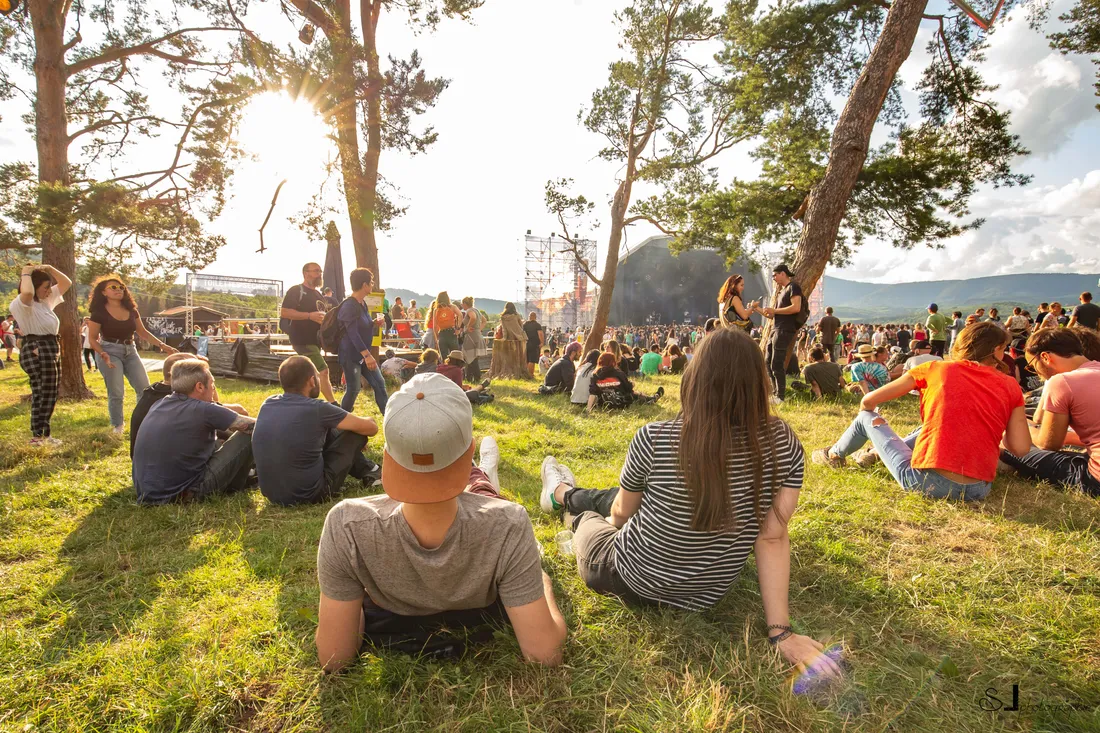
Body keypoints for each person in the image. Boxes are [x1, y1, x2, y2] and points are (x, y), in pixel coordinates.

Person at [539, 328, 839, 679]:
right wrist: (780, 631)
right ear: (759, 382)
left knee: (595, 512)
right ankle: (567, 493)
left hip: (625, 575)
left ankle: (560, 495)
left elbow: (621, 514)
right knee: (621, 496)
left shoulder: (654, 437)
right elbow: (772, 537)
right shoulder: (783, 443)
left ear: (695, 378)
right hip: (706, 595)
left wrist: (609, 525)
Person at [314, 374, 567, 669]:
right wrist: (543, 583)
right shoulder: (510, 523)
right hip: (487, 512)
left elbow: (333, 657)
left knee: (482, 493)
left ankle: (483, 475)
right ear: (468, 451)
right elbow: (544, 654)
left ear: (388, 457)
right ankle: (481, 473)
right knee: (483, 493)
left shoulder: (345, 526)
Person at [813, 322, 1031, 500]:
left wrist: (877, 426)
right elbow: (1020, 448)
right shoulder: (1010, 385)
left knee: (865, 418)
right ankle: (876, 454)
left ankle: (834, 454)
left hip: (926, 483)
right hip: (979, 488)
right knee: (933, 426)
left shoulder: (935, 369)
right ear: (995, 351)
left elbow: (868, 402)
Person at [253, 356, 381, 506]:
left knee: (331, 428)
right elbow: (371, 428)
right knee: (354, 435)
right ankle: (370, 470)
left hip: (272, 495)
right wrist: (358, 429)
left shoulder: (268, 403)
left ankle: (369, 469)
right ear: (312, 381)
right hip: (311, 495)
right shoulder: (318, 409)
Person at [132, 359, 257, 504]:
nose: (213, 390)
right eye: (212, 385)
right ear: (199, 387)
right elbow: (258, 426)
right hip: (185, 494)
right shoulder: (204, 409)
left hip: (148, 493)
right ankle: (237, 484)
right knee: (245, 436)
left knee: (217, 442)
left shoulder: (160, 404)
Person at [999, 329, 1099, 496]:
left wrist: (1020, 426)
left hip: (1095, 480)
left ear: (1045, 357)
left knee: (1011, 447)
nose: (1035, 372)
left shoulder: (1062, 381)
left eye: (1032, 365)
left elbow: (1048, 444)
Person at [85, 275, 178, 435]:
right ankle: (117, 426)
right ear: (103, 292)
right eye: (113, 287)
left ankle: (143, 423)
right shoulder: (98, 312)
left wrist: (163, 346)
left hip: (130, 350)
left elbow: (142, 332)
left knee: (144, 388)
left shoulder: (131, 310)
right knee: (116, 392)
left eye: (121, 287)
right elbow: (92, 339)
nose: (119, 290)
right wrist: (102, 353)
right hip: (109, 350)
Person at [129, 353, 248, 458]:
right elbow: (223, 410)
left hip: (147, 469)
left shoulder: (158, 396)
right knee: (241, 434)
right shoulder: (193, 403)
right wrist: (207, 378)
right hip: (178, 474)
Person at [11, 264, 73, 445]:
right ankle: (39, 436)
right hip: (37, 347)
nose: (48, 291)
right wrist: (26, 272)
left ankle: (42, 435)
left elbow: (66, 283)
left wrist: (50, 269)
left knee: (50, 392)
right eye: (45, 287)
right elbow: (28, 293)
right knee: (43, 392)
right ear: (32, 284)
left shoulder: (45, 302)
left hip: (50, 347)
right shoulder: (22, 303)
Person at [281, 263, 337, 404]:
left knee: (306, 376)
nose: (320, 273)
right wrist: (309, 316)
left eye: (320, 271)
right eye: (316, 271)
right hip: (302, 339)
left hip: (315, 341)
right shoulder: (296, 290)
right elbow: (285, 312)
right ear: (306, 273)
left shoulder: (318, 294)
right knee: (323, 371)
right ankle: (333, 404)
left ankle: (302, 401)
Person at [338, 268, 388, 416]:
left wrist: (373, 323)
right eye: (371, 282)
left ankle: (389, 419)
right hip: (352, 356)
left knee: (379, 384)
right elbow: (352, 333)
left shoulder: (362, 304)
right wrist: (367, 355)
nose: (372, 285)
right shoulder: (349, 306)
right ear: (364, 285)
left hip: (363, 356)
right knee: (353, 389)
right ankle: (340, 422)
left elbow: (360, 326)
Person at [759, 264, 803, 402]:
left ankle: (781, 396)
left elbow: (796, 307)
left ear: (783, 274)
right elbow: (772, 316)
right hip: (776, 328)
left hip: (784, 329)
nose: (773, 278)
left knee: (777, 362)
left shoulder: (793, 287)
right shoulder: (781, 292)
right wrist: (758, 309)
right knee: (767, 361)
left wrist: (775, 311)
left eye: (775, 275)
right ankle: (775, 392)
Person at [587, 352, 663, 411]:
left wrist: (588, 410)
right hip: (622, 403)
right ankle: (654, 397)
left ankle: (649, 398)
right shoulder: (619, 373)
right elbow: (629, 388)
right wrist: (632, 384)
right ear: (613, 362)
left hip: (605, 404)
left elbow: (592, 393)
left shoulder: (595, 375)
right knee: (635, 394)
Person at [460, 297, 485, 382]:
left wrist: (468, 327)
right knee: (472, 358)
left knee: (470, 357)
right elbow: (484, 321)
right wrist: (479, 329)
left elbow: (473, 318)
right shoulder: (476, 310)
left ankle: (476, 377)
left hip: (471, 336)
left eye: (462, 303)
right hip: (477, 335)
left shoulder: (469, 311)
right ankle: (470, 378)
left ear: (465, 303)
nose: (461, 305)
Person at [433, 292, 463, 356]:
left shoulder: (436, 310)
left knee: (444, 356)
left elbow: (435, 326)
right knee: (455, 355)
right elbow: (460, 315)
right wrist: (458, 328)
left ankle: (445, 366)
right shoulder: (452, 307)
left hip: (442, 333)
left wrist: (437, 338)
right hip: (452, 332)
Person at [522, 311, 544, 377]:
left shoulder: (524, 324)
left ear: (529, 317)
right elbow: (540, 334)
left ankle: (527, 373)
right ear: (535, 317)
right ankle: (530, 374)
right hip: (534, 344)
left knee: (527, 359)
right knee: (532, 360)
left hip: (526, 343)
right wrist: (542, 342)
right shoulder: (537, 325)